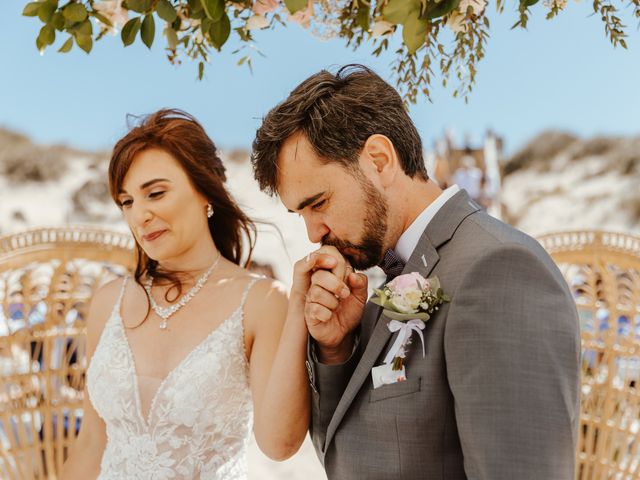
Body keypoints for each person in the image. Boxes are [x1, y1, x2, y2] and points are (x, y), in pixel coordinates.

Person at [251, 65, 581, 479]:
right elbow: (352, 449)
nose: (314, 232)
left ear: (379, 160)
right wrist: (337, 351)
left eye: (318, 203)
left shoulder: (499, 270)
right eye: (300, 213)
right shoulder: (395, 278)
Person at [62, 109, 313, 479]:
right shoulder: (107, 302)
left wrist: (297, 315)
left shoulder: (262, 303)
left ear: (205, 191)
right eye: (127, 201)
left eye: (156, 193)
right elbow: (90, 446)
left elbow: (278, 444)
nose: (140, 216)